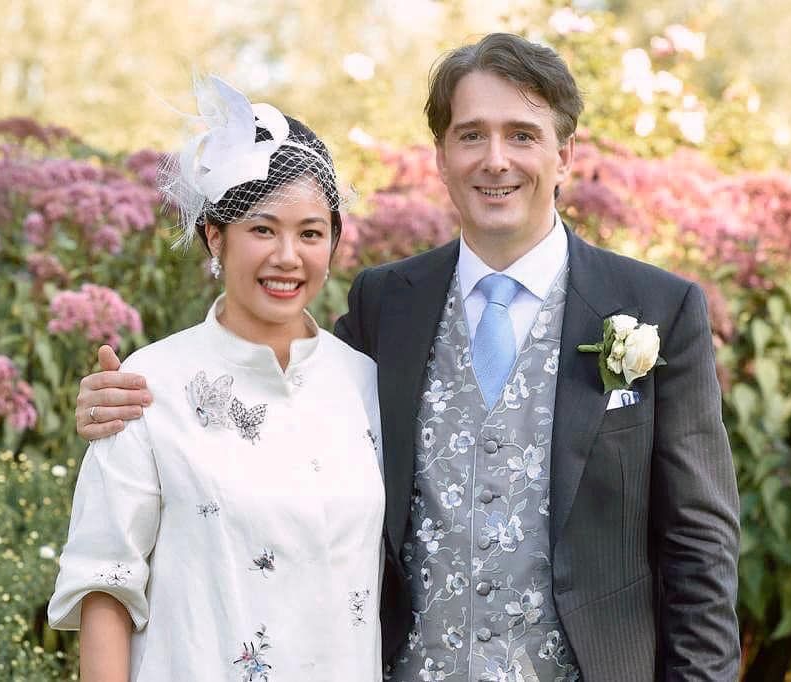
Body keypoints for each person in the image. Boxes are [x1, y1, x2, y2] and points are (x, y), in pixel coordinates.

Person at [76, 34, 740, 681]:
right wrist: (125, 401)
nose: (496, 160)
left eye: (522, 135)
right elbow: (275, 389)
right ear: (441, 156)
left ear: (564, 154)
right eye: (472, 135)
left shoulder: (659, 307)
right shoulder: (385, 306)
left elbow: (700, 544)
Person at [49, 76, 385, 681]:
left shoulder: (366, 384)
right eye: (262, 229)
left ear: (334, 241)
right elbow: (105, 581)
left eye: (311, 232)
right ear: (214, 236)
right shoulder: (145, 385)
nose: (288, 256)